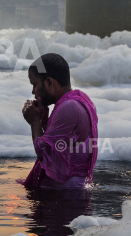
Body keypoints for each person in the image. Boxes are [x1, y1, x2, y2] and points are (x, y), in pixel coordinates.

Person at [19, 53, 98, 189]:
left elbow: (44, 153)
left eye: (34, 84)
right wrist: (44, 124)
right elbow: (58, 150)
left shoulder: (69, 107)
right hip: (68, 191)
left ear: (49, 83)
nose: (33, 91)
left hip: (66, 196)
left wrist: (35, 122)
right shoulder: (76, 101)